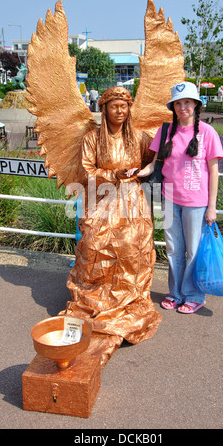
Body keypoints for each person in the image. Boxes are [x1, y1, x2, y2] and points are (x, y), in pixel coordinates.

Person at [63, 86, 162, 365]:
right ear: (104, 109)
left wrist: (141, 172)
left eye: (124, 106)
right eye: (114, 106)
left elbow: (155, 159)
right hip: (103, 199)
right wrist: (113, 174)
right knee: (94, 243)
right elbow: (87, 171)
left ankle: (128, 297)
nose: (120, 111)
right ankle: (95, 297)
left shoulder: (140, 138)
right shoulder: (92, 138)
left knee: (131, 244)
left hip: (132, 200)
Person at [127, 82, 223, 314]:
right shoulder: (166, 131)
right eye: (178, 103)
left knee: (193, 249)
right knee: (173, 249)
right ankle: (175, 293)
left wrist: (212, 207)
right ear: (173, 107)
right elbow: (154, 164)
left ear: (196, 105)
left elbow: (214, 171)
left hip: (196, 203)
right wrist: (138, 172)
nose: (183, 107)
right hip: (169, 199)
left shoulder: (207, 133)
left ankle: (193, 295)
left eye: (187, 103)